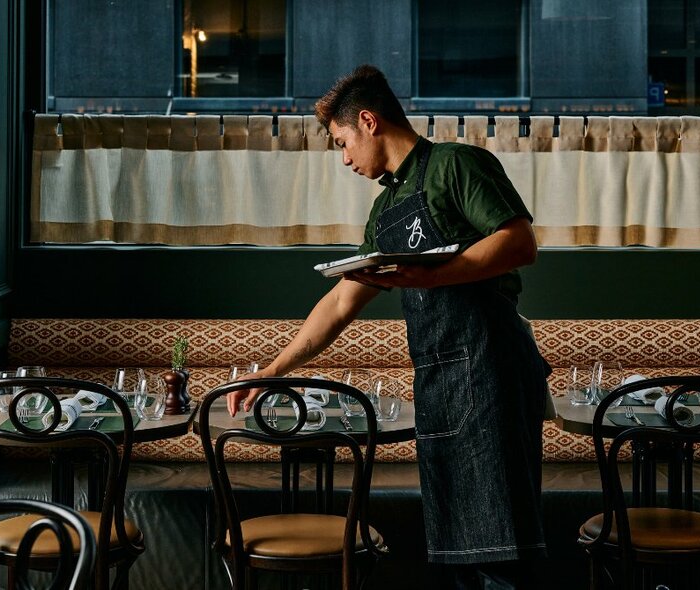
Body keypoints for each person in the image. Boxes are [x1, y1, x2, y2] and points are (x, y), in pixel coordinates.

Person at [227, 64, 548, 590]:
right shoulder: (386, 209)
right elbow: (339, 302)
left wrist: (433, 274)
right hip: (440, 384)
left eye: (342, 142)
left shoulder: (457, 165)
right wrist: (274, 370)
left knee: (502, 554)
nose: (345, 158)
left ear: (369, 121)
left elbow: (519, 243)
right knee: (458, 556)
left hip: (492, 372)